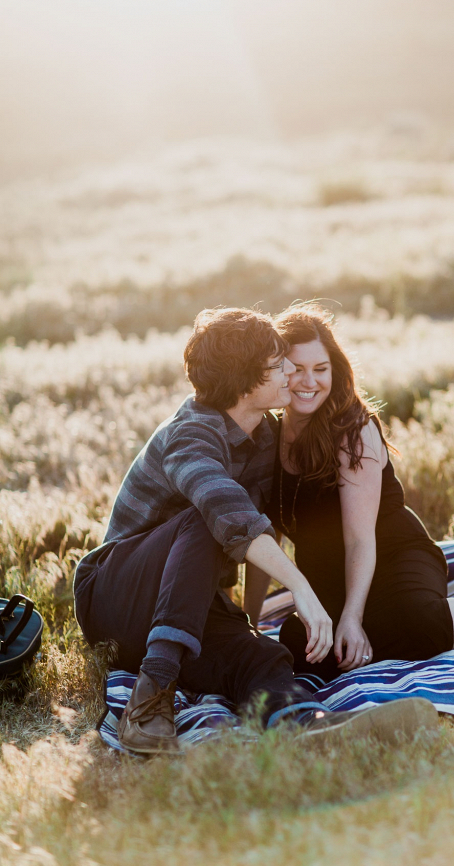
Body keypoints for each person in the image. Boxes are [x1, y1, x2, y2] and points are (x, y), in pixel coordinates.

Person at [74, 307, 435, 753]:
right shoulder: (191, 434)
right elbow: (229, 515)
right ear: (246, 380)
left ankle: (301, 727)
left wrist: (251, 617)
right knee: (205, 518)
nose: (289, 371)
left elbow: (260, 530)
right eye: (276, 365)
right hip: (114, 596)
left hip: (184, 609)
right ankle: (149, 702)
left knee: (262, 654)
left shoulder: (265, 437)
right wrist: (300, 588)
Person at [244, 303, 454, 682]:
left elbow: (360, 540)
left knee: (414, 619)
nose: (309, 382)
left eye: (321, 369)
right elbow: (263, 533)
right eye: (296, 370)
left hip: (393, 556)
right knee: (301, 646)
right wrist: (250, 620)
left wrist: (352, 618)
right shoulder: (266, 436)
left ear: (334, 370)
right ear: (277, 372)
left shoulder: (352, 430)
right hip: (325, 576)